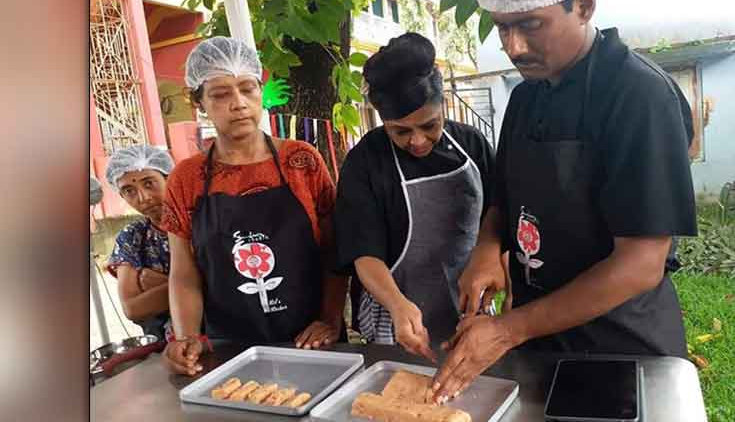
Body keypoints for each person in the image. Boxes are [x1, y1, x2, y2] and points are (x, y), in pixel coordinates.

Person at [431, 0, 697, 403]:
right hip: (540, 343)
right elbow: (503, 198)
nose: (513, 47)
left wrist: (507, 330)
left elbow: (641, 263)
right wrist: (488, 248)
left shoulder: (639, 97)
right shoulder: (524, 99)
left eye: (530, 24)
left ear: (585, 4)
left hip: (623, 350)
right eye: (502, 27)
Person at [160, 36, 347, 375]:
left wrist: (330, 321)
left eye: (248, 89)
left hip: (313, 343)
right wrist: (186, 337)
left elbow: (334, 251)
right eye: (220, 94)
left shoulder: (302, 160)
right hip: (231, 350)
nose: (239, 104)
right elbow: (184, 273)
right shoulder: (186, 179)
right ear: (198, 102)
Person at [334, 32, 496, 360]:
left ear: (444, 105)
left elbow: (497, 212)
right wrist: (397, 305)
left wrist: (489, 259)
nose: (418, 141)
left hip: (469, 307)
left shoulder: (473, 144)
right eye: (401, 131)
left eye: (429, 125)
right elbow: (364, 253)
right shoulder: (366, 161)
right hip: (395, 312)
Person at [104, 144, 175, 340]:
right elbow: (132, 308)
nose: (143, 198)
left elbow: (222, 290)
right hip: (163, 344)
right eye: (129, 190)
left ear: (169, 179)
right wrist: (194, 286)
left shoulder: (201, 223)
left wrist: (156, 284)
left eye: (149, 183)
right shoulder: (132, 236)